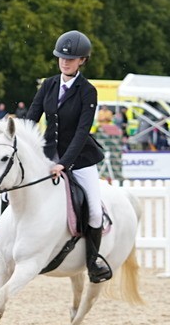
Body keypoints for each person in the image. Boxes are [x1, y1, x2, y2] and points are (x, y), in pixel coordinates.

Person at [24, 29, 112, 282]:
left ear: (82, 60)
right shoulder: (48, 85)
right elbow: (31, 118)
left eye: (71, 58)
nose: (65, 61)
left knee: (94, 211)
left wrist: (64, 163)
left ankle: (93, 261)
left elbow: (82, 132)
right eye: (62, 57)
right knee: (14, 187)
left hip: (80, 158)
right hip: (48, 154)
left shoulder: (87, 91)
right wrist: (18, 142)